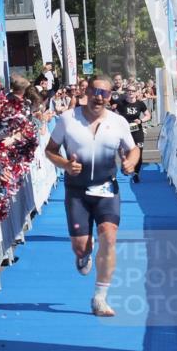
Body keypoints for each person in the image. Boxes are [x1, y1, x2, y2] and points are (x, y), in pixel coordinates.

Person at [44, 76, 139, 317]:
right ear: (86, 91)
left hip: (107, 189)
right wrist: (65, 164)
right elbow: (50, 151)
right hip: (77, 192)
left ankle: (100, 297)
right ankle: (84, 253)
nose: (99, 96)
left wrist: (130, 162)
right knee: (80, 247)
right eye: (95, 91)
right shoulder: (67, 120)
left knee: (109, 237)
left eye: (105, 93)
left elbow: (133, 149)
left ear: (110, 97)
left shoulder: (118, 122)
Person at [117, 83, 150, 182]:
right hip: (125, 131)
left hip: (137, 130)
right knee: (127, 151)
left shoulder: (140, 104)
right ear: (126, 92)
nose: (130, 92)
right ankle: (126, 166)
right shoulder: (121, 103)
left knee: (139, 150)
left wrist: (141, 121)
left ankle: (136, 173)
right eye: (129, 91)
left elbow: (148, 115)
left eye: (133, 91)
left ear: (136, 93)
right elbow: (115, 116)